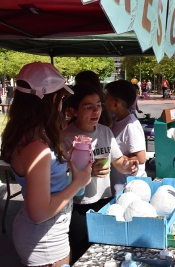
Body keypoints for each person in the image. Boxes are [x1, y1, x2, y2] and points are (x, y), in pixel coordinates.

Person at [0, 62, 92, 267]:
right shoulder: (36, 147)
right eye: (60, 98)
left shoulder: (31, 136)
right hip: (44, 241)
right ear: (51, 99)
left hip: (45, 235)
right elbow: (39, 212)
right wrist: (78, 183)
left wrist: (66, 160)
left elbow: (44, 180)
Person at [63, 83, 138, 264]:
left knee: (106, 254)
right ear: (73, 110)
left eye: (98, 105)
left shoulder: (105, 131)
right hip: (79, 206)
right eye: (88, 107)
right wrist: (88, 171)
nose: (96, 111)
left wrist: (128, 166)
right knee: (83, 256)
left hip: (105, 202)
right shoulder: (65, 137)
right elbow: (60, 177)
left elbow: (118, 162)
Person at [105, 80, 147, 195]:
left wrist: (116, 159)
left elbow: (141, 157)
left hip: (131, 188)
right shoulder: (116, 120)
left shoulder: (131, 125)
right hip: (120, 185)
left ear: (116, 103)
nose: (104, 100)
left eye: (107, 97)